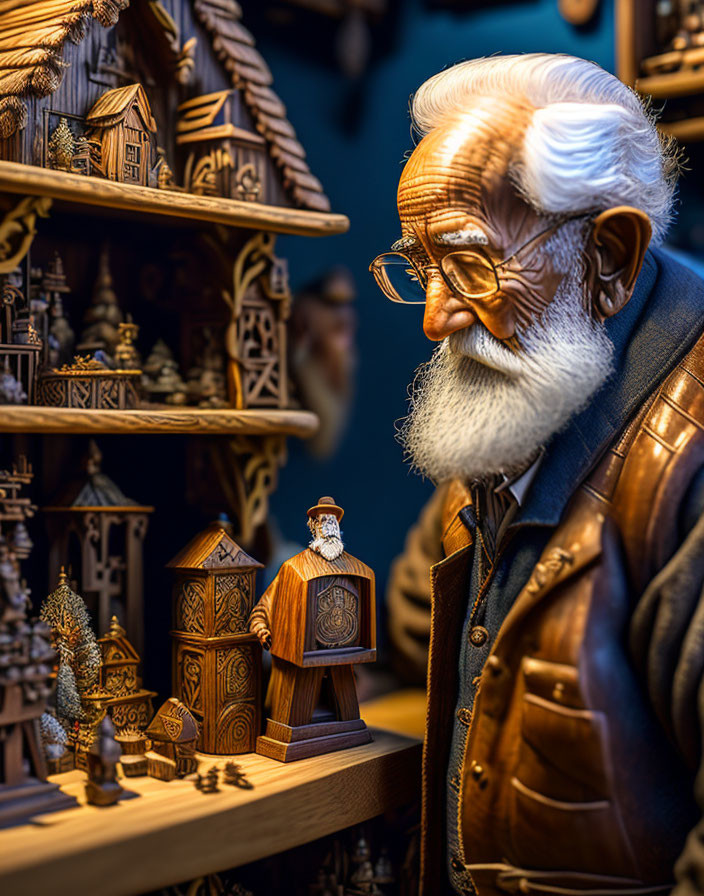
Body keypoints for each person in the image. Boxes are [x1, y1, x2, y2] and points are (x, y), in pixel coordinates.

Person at [372, 53, 704, 896]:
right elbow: (425, 625)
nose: (437, 317)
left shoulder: (688, 448)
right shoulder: (534, 379)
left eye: (473, 263)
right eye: (421, 268)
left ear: (610, 256)